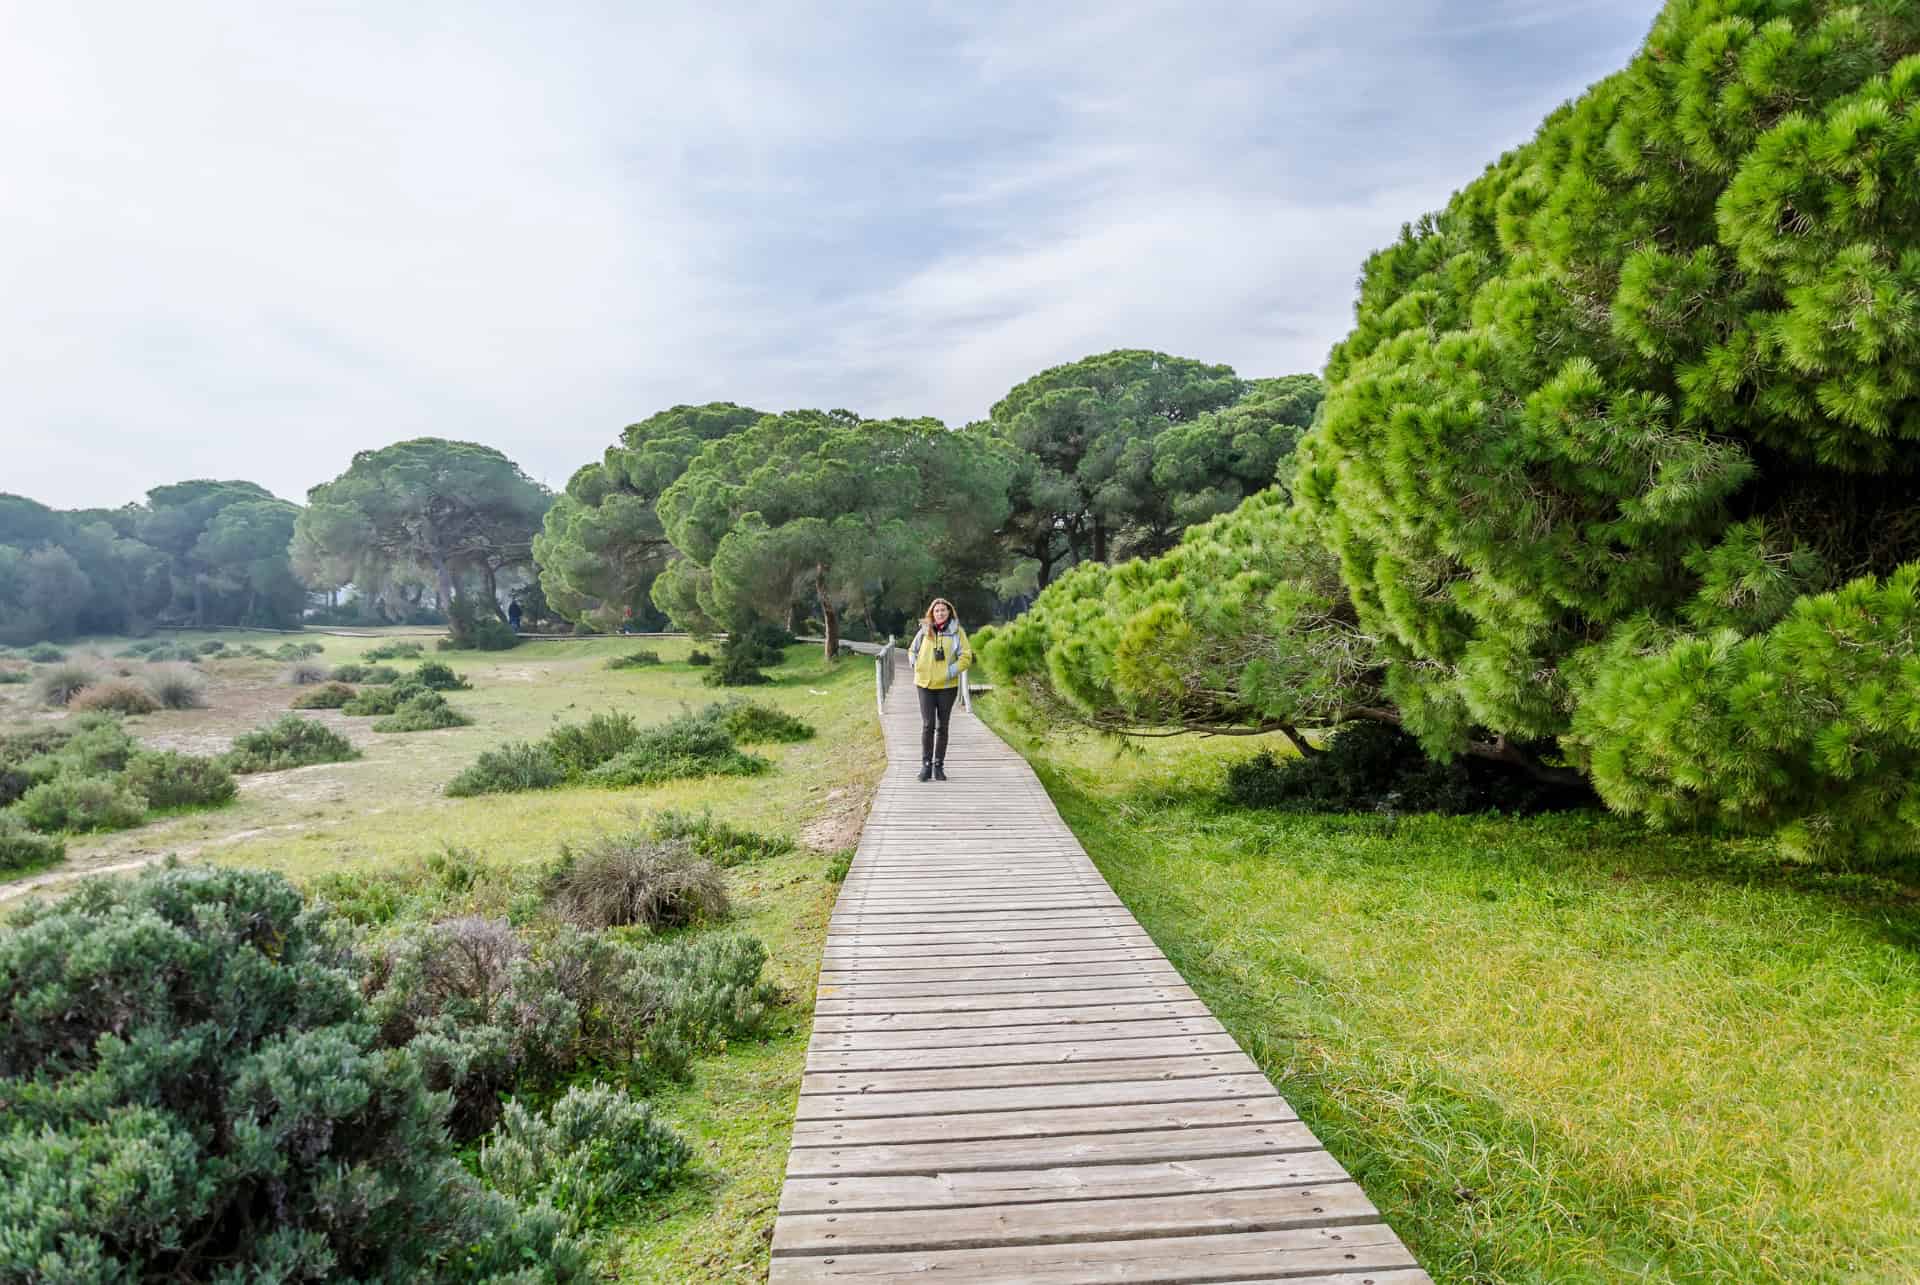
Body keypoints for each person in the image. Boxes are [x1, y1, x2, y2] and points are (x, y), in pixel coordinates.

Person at [908, 597, 972, 782]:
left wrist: (950, 671)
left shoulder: (957, 632)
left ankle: (939, 766)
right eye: (937, 611)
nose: (940, 613)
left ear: (949, 612)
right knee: (928, 724)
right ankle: (925, 766)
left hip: (946, 686)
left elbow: (966, 657)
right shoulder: (925, 630)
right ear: (932, 613)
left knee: (942, 726)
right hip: (925, 684)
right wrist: (915, 663)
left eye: (943, 610)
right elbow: (912, 650)